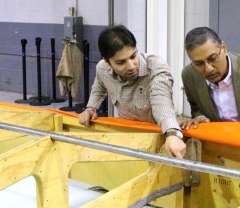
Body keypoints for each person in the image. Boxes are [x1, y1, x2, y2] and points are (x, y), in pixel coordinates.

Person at [79, 25, 186, 159]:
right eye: (121, 62)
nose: (131, 66)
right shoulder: (102, 69)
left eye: (133, 56)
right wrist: (91, 108)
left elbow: (161, 100)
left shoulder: (156, 66)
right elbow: (99, 87)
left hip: (158, 136)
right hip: (126, 135)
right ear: (107, 62)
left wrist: (171, 134)